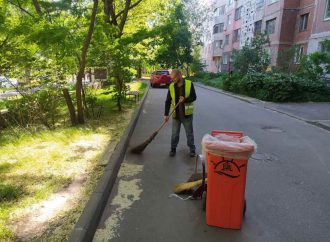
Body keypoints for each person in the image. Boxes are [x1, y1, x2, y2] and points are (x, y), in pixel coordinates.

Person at [164, 69, 197, 157]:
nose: (172, 80)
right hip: (176, 115)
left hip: (187, 115)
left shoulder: (189, 84)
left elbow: (194, 97)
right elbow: (168, 101)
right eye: (172, 78)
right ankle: (173, 149)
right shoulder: (171, 86)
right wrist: (166, 114)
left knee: (189, 133)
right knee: (174, 134)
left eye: (174, 78)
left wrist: (185, 100)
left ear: (179, 75)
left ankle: (192, 150)